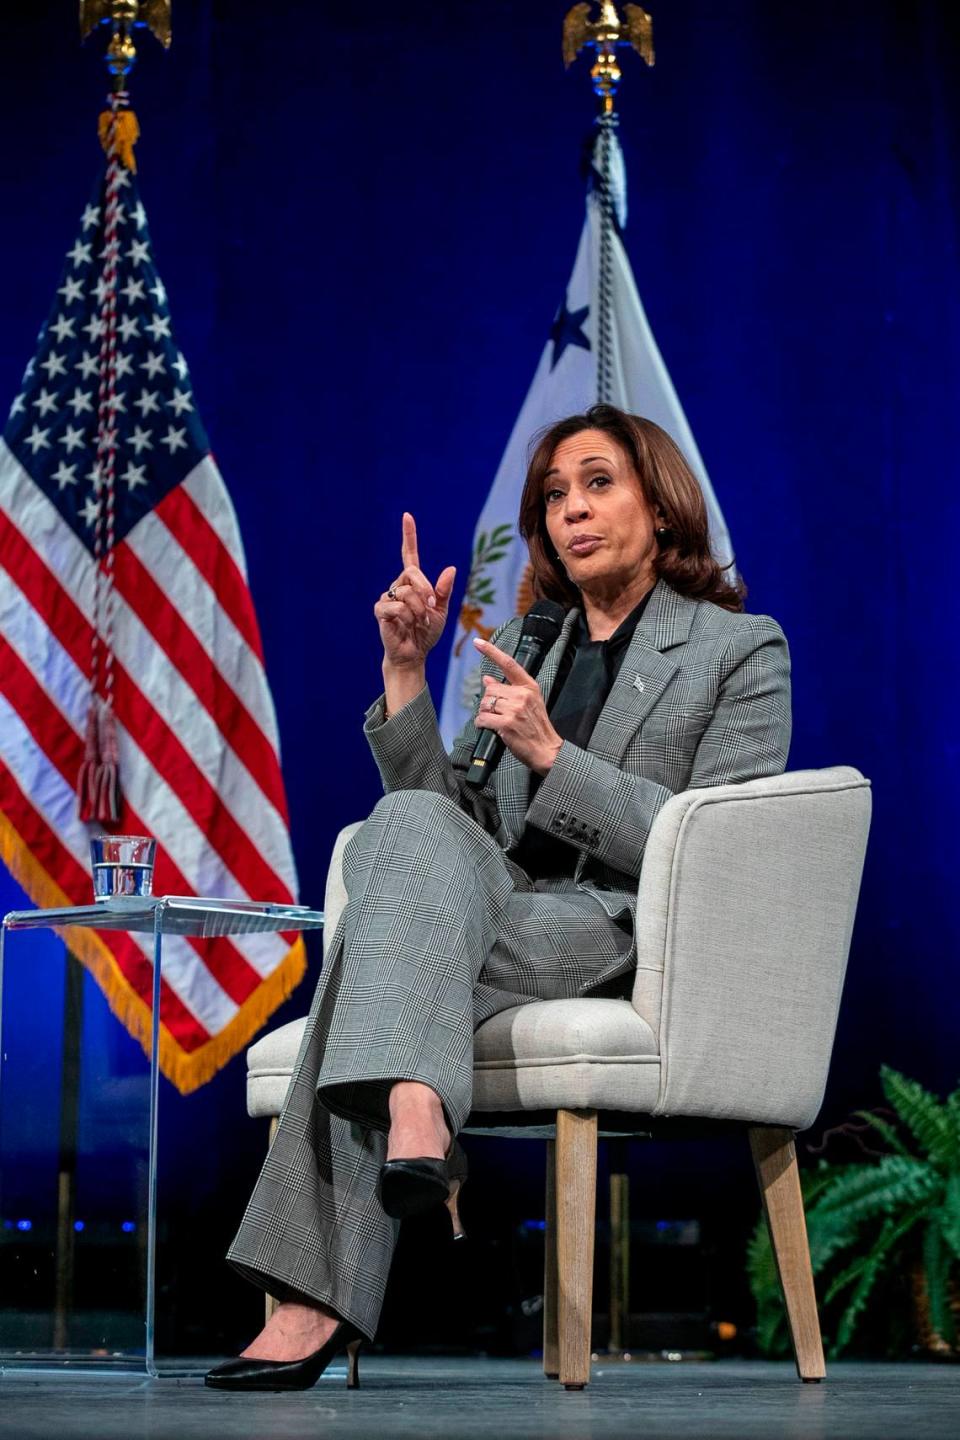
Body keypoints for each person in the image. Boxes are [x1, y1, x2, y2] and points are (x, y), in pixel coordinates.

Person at [206, 404, 791, 1391]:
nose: (573, 510)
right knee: (399, 832)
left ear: (661, 502)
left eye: (599, 483)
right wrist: (405, 672)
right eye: (555, 496)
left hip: (620, 925)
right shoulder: (533, 640)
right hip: (498, 911)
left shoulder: (740, 650)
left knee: (369, 965)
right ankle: (417, 1112)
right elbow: (448, 827)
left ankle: (312, 1303)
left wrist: (555, 758)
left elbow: (720, 850)